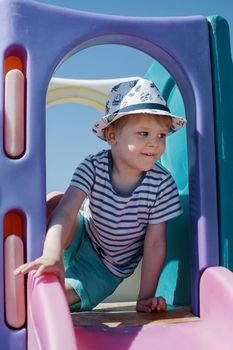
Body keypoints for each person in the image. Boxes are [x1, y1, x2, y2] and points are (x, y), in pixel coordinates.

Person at [15, 78, 186, 313]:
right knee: (56, 199)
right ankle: (36, 259)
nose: (154, 144)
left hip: (106, 268)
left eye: (161, 136)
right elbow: (67, 211)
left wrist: (145, 297)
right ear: (112, 136)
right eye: (144, 133)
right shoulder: (93, 166)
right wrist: (52, 252)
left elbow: (155, 244)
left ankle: (35, 286)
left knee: (55, 298)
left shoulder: (162, 184)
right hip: (84, 233)